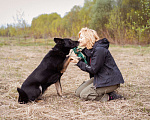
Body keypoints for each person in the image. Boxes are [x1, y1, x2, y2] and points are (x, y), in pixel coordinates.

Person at [71, 27, 124, 102]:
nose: (79, 40)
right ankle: (105, 91)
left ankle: (111, 96)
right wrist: (80, 57)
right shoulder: (91, 50)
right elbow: (90, 64)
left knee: (84, 94)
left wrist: (78, 63)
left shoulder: (99, 50)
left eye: (81, 38)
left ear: (88, 38)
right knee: (78, 92)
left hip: (110, 81)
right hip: (100, 78)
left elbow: (93, 69)